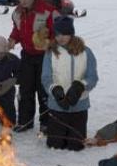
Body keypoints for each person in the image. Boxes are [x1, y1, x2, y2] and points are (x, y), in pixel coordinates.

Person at [8, 0, 58, 133]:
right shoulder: (17, 13)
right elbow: (17, 29)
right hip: (27, 56)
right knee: (25, 89)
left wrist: (50, 41)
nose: (22, 0)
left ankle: (46, 122)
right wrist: (12, 39)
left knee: (44, 90)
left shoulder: (48, 12)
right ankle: (25, 120)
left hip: (45, 57)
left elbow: (60, 33)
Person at [41, 16, 98, 151]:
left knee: (76, 146)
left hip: (79, 105)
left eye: (64, 34)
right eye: (57, 34)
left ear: (71, 33)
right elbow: (46, 77)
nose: (60, 38)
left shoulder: (86, 52)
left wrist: (80, 87)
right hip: (57, 105)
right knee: (55, 145)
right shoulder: (51, 52)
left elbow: (92, 77)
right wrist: (55, 90)